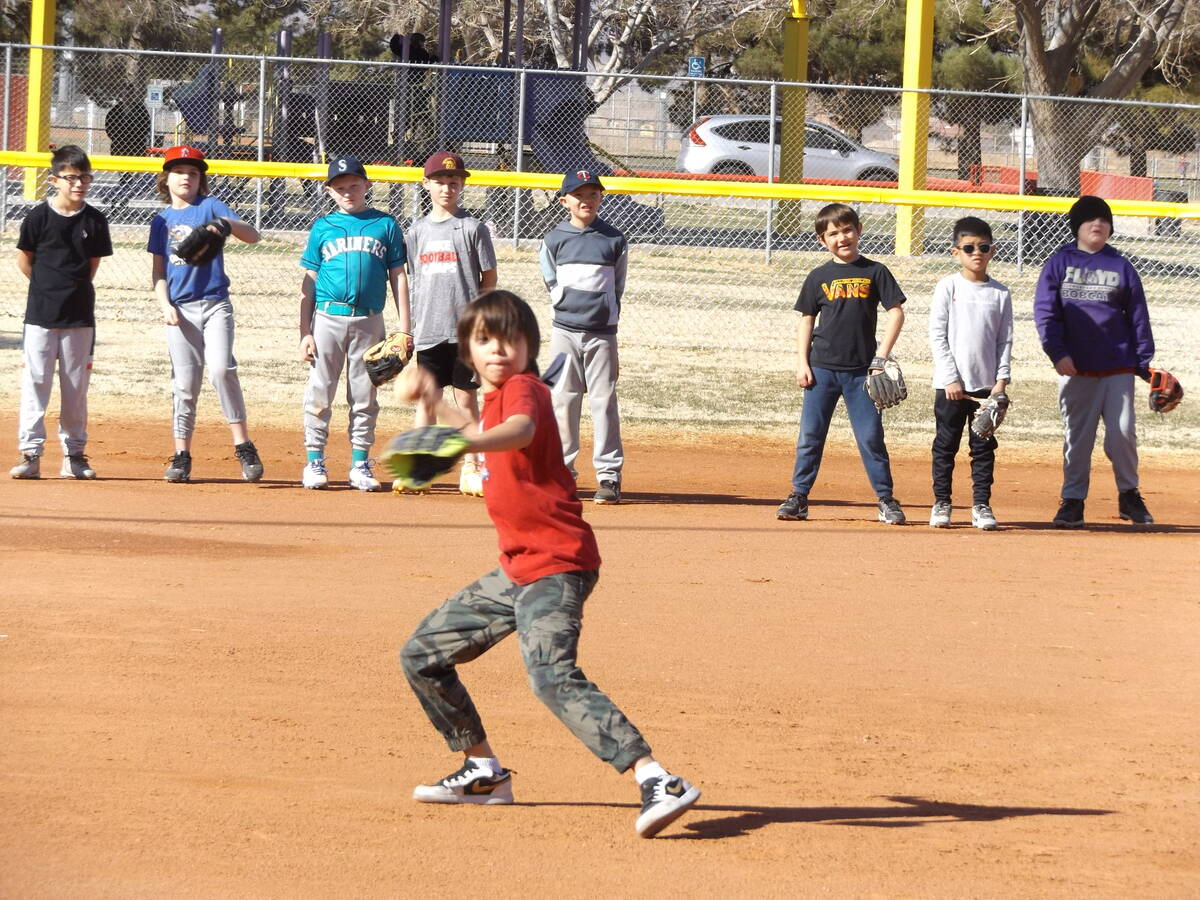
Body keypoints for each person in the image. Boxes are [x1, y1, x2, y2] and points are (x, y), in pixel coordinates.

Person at [394, 289, 700, 838]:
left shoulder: (524, 390)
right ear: (467, 349)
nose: (498, 349)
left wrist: (454, 442)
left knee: (550, 675)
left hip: (558, 565)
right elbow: (474, 436)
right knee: (423, 655)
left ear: (530, 347)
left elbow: (520, 433)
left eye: (510, 339)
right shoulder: (490, 403)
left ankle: (658, 779)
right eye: (484, 340)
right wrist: (432, 398)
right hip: (516, 569)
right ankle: (483, 771)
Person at [777, 202, 907, 524]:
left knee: (870, 437)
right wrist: (801, 362)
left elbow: (896, 313)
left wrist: (881, 357)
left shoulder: (875, 271)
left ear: (859, 230)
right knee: (811, 435)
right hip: (822, 369)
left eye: (847, 229)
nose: (842, 237)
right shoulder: (819, 276)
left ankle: (886, 499)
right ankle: (799, 496)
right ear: (823, 241)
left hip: (862, 372)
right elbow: (807, 321)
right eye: (833, 234)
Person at [1034, 195, 1156, 528]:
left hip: (1117, 366)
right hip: (1077, 368)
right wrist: (1057, 353)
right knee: (1078, 437)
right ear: (1077, 227)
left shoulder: (1121, 266)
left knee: (1122, 434)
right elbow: (1046, 314)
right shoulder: (1059, 264)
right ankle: (1073, 500)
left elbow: (1138, 316)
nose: (1098, 224)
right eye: (1090, 219)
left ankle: (1129, 495)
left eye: (1103, 219)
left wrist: (1144, 363)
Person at [148, 145, 264, 484]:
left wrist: (224, 224)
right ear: (166, 179)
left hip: (215, 305)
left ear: (201, 181)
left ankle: (244, 446)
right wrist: (165, 305)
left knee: (220, 370)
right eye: (179, 171)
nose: (186, 176)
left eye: (194, 172)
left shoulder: (211, 207)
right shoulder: (161, 221)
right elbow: (158, 272)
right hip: (180, 311)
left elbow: (254, 236)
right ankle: (181, 455)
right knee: (184, 386)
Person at [299, 156, 410, 491]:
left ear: (367, 186)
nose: (347, 191)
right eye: (340, 187)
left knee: (364, 395)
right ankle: (315, 462)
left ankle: (360, 464)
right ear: (330, 191)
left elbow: (399, 276)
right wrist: (304, 332)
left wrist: (405, 328)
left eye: (354, 185)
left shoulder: (385, 224)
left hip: (369, 319)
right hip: (328, 318)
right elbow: (309, 280)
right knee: (320, 391)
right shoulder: (323, 227)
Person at [11, 145, 112, 480]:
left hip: (80, 317)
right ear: (54, 180)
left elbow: (91, 267)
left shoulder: (95, 220)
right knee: (36, 383)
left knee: (75, 388)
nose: (78, 184)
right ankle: (30, 454)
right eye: (70, 178)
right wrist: (46, 287)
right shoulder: (38, 217)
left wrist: (70, 290)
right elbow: (26, 260)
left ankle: (74, 455)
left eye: (84, 177)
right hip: (40, 316)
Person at [404, 150, 497, 496]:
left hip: (463, 332)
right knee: (427, 402)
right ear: (426, 184)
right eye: (440, 181)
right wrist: (409, 329)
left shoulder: (472, 228)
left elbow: (489, 278)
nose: (447, 187)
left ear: (461, 185)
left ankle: (472, 468)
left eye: (454, 181)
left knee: (466, 401)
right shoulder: (415, 232)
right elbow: (414, 280)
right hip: (429, 329)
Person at [539, 170, 627, 504]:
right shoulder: (554, 239)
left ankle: (609, 475)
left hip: (601, 332)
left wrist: (607, 310)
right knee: (563, 400)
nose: (586, 201)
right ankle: (562, 473)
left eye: (593, 195)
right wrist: (562, 300)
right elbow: (548, 277)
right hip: (564, 330)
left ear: (601, 199)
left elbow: (618, 284)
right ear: (565, 201)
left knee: (603, 401)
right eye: (579, 195)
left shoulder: (613, 239)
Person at [927, 217, 1014, 531]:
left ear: (992, 251)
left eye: (983, 247)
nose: (976, 252)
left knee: (983, 449)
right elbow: (937, 335)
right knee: (945, 445)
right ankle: (942, 503)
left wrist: (1000, 383)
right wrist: (950, 377)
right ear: (955, 252)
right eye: (968, 247)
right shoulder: (948, 286)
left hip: (986, 389)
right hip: (951, 387)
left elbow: (1004, 340)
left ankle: (981, 505)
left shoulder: (1000, 294)